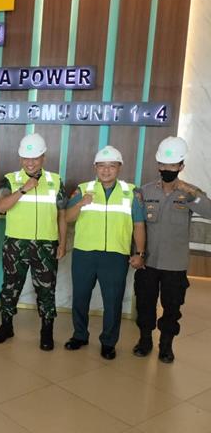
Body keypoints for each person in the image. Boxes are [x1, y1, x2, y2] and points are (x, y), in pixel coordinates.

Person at [133, 136, 211, 363]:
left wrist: (191, 193)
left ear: (181, 166)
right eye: (163, 165)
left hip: (175, 264)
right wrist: (137, 254)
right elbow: (137, 225)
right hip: (148, 261)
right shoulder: (145, 191)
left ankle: (166, 345)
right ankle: (145, 340)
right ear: (158, 165)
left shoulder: (190, 193)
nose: (167, 169)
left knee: (172, 307)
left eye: (173, 165)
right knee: (145, 303)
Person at [64, 145, 146, 360]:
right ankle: (79, 335)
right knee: (80, 297)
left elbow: (138, 225)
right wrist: (81, 204)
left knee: (113, 301)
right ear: (95, 167)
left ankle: (108, 342)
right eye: (102, 166)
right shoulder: (83, 189)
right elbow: (66, 218)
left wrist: (140, 253)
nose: (106, 170)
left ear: (119, 168)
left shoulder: (131, 192)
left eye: (111, 166)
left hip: (115, 255)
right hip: (84, 253)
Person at [0, 133, 67, 350]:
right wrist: (23, 189)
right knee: (10, 286)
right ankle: (6, 326)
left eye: (35, 158)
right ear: (20, 158)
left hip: (46, 245)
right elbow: (0, 207)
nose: (30, 163)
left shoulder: (56, 181)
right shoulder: (10, 179)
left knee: (46, 290)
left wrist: (62, 243)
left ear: (43, 157)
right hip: (16, 244)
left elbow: (62, 215)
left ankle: (47, 331)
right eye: (26, 158)